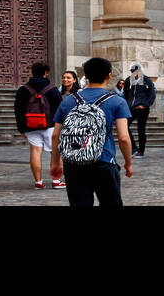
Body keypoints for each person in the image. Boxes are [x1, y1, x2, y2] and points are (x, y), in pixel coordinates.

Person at [51, 56, 133, 207]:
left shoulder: (68, 100)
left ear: (86, 77)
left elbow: (56, 135)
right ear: (109, 76)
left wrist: (56, 162)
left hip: (74, 163)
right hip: (104, 161)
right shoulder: (117, 101)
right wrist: (128, 162)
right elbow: (124, 138)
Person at [14, 61, 64, 191]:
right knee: (55, 153)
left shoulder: (23, 90)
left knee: (35, 152)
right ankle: (56, 181)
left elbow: (18, 110)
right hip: (51, 126)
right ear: (46, 73)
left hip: (30, 126)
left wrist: (22, 128)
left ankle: (38, 182)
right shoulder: (52, 89)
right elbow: (60, 108)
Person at [123, 62, 156, 157]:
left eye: (135, 72)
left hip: (142, 109)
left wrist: (145, 105)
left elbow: (152, 94)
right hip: (131, 108)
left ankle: (141, 151)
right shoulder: (128, 81)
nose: (134, 74)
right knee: (125, 126)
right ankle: (133, 147)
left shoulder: (146, 81)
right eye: (132, 72)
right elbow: (125, 94)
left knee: (141, 130)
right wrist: (128, 104)